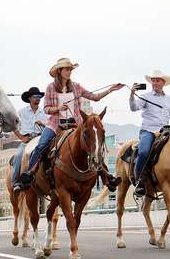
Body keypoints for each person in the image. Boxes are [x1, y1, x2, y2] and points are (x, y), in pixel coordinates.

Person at [15, 58, 124, 190]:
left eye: (71, 69)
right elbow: (46, 109)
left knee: (93, 145)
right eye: (67, 69)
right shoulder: (51, 87)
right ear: (59, 71)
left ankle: (107, 176)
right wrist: (58, 109)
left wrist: (110, 89)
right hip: (56, 125)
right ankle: (29, 173)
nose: (69, 72)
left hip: (75, 125)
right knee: (41, 145)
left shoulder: (77, 86)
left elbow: (95, 97)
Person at [129, 69, 170, 197]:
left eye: (157, 80)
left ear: (163, 83)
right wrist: (132, 94)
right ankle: (139, 182)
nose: (155, 83)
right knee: (144, 151)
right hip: (148, 131)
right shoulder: (145, 97)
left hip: (165, 132)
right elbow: (134, 107)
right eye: (153, 80)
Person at [11, 87, 48, 182]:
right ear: (29, 98)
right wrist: (21, 137)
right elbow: (13, 126)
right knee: (18, 156)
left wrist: (43, 123)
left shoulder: (45, 112)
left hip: (41, 139)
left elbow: (50, 126)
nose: (38, 98)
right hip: (27, 140)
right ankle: (16, 182)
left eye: (39, 96)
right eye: (35, 96)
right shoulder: (21, 112)